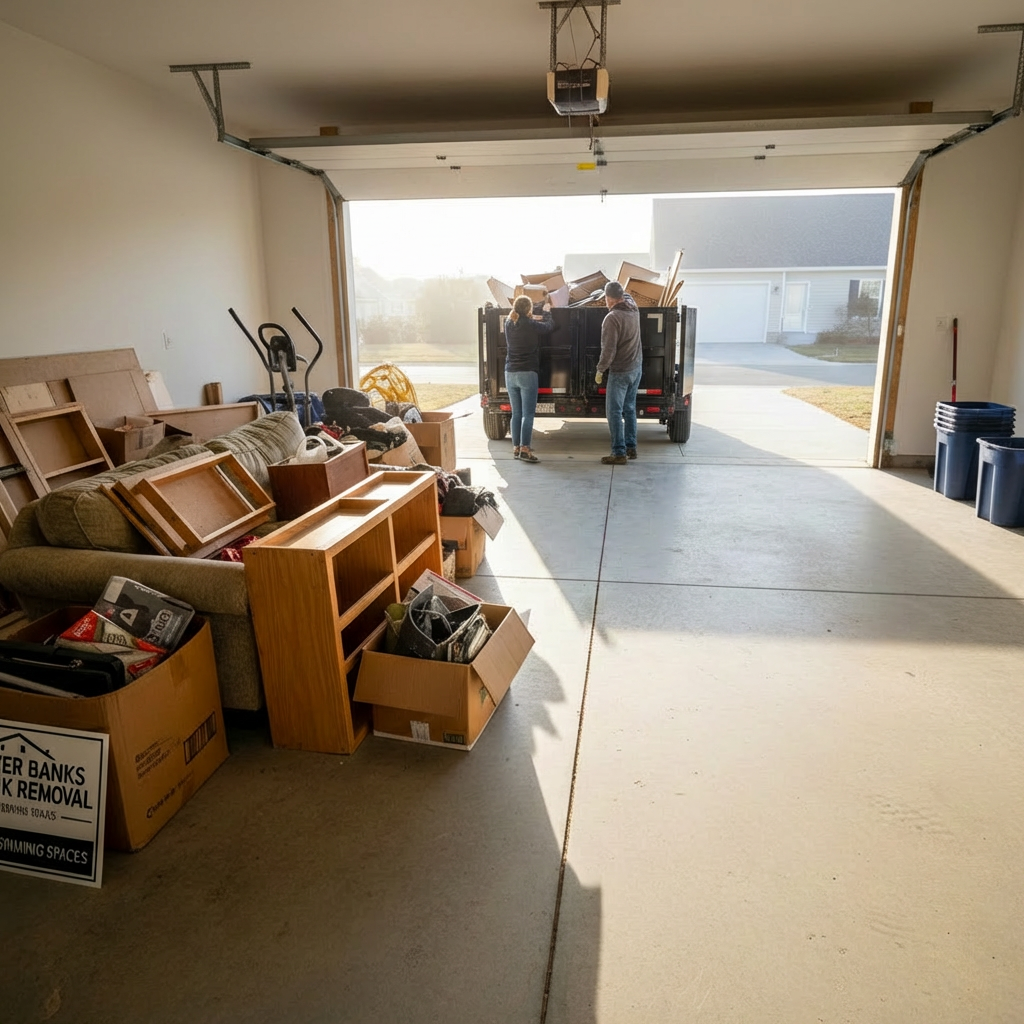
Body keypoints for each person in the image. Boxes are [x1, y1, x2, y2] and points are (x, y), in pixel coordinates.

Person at [595, 281, 643, 465]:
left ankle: (618, 452)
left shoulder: (612, 318)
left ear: (608, 298)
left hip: (621, 371)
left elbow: (608, 350)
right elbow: (628, 295)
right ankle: (631, 447)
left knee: (614, 412)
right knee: (629, 408)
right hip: (636, 368)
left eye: (605, 299)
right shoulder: (634, 307)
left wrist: (600, 369)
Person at [504, 293, 553, 462]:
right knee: (528, 414)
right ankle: (525, 449)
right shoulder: (532, 325)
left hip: (510, 373)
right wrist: (547, 312)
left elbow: (522, 322)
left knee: (516, 413)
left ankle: (516, 447)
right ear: (529, 309)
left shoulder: (509, 323)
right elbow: (548, 327)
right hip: (527, 373)